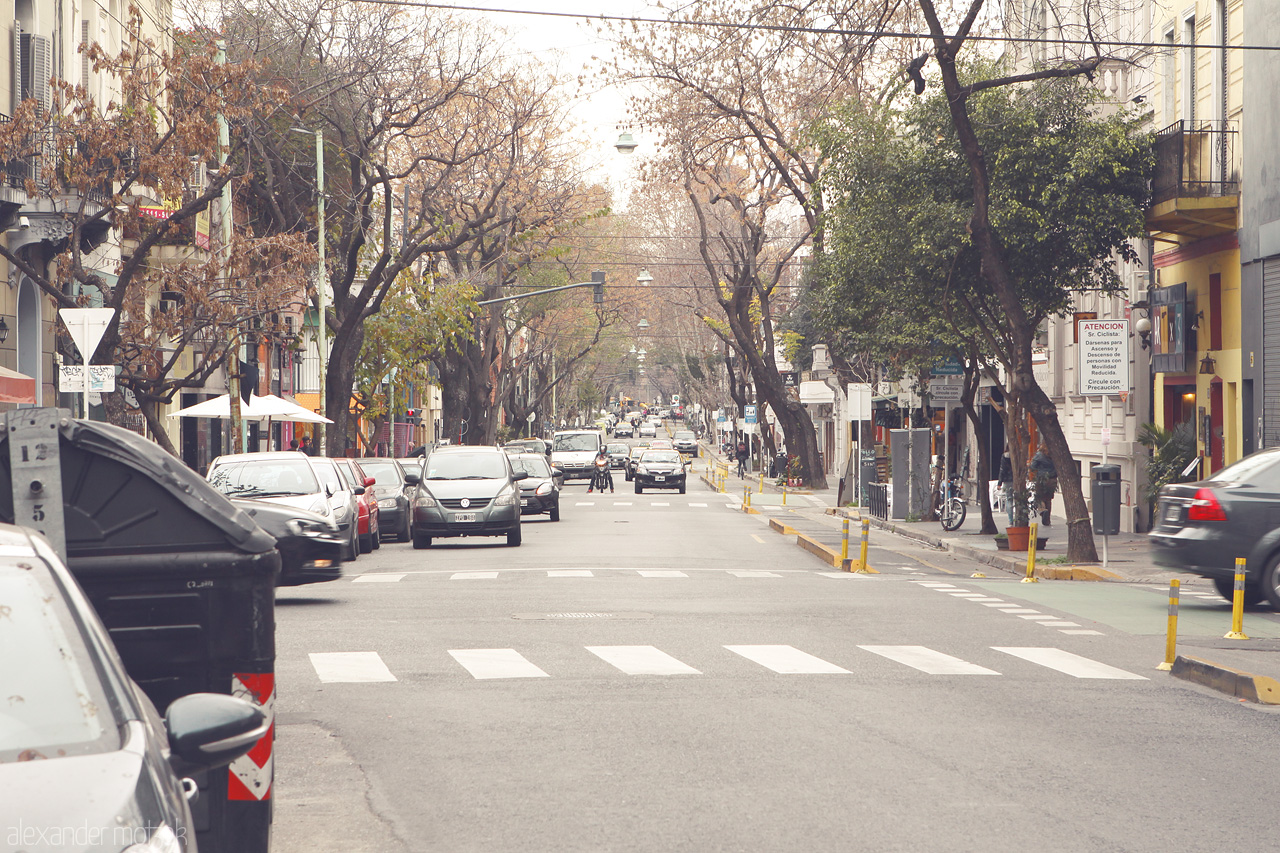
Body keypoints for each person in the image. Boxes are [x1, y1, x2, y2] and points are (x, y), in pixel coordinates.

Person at [1030, 447, 1058, 526]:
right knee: (1048, 499)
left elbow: (1033, 467)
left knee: (1039, 498)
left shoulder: (1039, 455)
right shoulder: (1055, 454)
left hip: (1041, 479)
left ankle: (1042, 510)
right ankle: (1047, 520)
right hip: (1052, 479)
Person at [997, 448, 1014, 526]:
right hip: (1017, 479)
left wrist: (999, 482)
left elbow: (1002, 469)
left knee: (1009, 499)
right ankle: (1019, 518)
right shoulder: (1018, 454)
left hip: (1007, 480)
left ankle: (1010, 520)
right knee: (1018, 499)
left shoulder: (1004, 456)